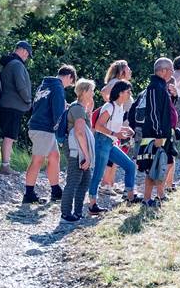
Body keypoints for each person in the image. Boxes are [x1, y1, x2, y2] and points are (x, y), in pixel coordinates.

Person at [22, 64, 76, 204]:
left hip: (37, 126)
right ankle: (28, 194)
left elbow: (47, 105)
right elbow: (58, 113)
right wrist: (63, 131)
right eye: (70, 82)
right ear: (69, 77)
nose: (68, 86)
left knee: (54, 157)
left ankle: (56, 190)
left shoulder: (45, 85)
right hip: (43, 129)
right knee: (37, 160)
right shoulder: (57, 87)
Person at [86, 80, 139, 213]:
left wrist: (127, 130)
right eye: (128, 92)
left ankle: (130, 196)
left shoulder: (119, 107)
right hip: (102, 141)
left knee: (130, 166)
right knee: (98, 173)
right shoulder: (110, 107)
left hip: (109, 142)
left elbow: (112, 125)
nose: (129, 94)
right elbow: (98, 126)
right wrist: (116, 133)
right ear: (120, 93)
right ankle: (92, 204)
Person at [138, 57, 176, 206]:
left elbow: (165, 111)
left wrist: (174, 97)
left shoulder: (162, 87)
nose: (172, 74)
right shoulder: (154, 87)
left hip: (162, 134)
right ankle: (147, 199)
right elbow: (153, 113)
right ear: (163, 70)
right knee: (152, 167)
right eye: (171, 70)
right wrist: (158, 135)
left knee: (160, 165)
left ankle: (160, 195)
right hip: (154, 136)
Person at [61, 78, 96, 223]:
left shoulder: (81, 109)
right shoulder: (77, 109)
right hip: (77, 151)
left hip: (80, 150)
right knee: (74, 181)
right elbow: (80, 132)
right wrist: (87, 157)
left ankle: (77, 212)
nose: (93, 93)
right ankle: (66, 214)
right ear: (84, 91)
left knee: (84, 181)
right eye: (91, 90)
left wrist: (90, 112)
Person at [0, 40, 32, 175]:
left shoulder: (7, 64)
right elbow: (21, 86)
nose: (27, 58)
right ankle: (5, 166)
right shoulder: (17, 65)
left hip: (6, 104)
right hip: (13, 106)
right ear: (23, 50)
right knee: (9, 136)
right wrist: (28, 100)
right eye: (27, 54)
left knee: (7, 135)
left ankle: (5, 164)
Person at [99, 60, 133, 194]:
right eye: (128, 68)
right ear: (121, 71)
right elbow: (103, 91)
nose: (130, 70)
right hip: (118, 126)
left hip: (122, 125)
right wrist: (113, 106)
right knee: (114, 157)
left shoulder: (120, 84)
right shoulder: (116, 82)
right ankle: (105, 184)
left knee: (118, 156)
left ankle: (110, 183)